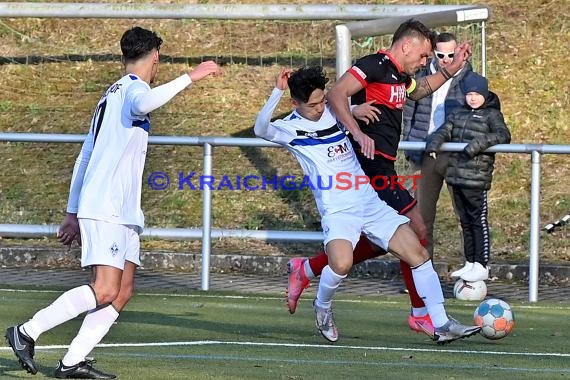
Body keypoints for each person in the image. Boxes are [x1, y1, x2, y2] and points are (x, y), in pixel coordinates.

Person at [4, 26, 220, 379]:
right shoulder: (135, 89)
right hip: (108, 207)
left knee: (122, 291)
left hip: (120, 209)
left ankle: (72, 361)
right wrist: (190, 77)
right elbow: (144, 102)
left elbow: (84, 156)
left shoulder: (110, 95)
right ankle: (27, 331)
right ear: (156, 57)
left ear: (123, 57)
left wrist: (72, 212)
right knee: (106, 288)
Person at [255, 65, 480, 344]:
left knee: (418, 254)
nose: (319, 108)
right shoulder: (289, 128)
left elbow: (343, 109)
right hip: (338, 211)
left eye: (322, 101)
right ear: (295, 103)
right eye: (312, 105)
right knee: (341, 264)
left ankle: (442, 323)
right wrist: (277, 90)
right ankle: (322, 306)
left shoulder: (331, 111)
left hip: (369, 202)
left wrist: (354, 112)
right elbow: (260, 128)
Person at [287, 19, 472, 333]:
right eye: (424, 55)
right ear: (406, 46)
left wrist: (450, 69)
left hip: (383, 168)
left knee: (388, 241)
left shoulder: (400, 76)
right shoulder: (373, 65)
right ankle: (420, 313)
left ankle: (308, 268)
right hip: (369, 169)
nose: (425, 62)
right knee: (417, 229)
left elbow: (420, 91)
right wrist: (357, 132)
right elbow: (336, 94)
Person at [425, 72, 511, 282]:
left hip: (476, 178)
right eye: (469, 94)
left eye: (476, 94)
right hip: (456, 176)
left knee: (477, 221)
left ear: (484, 94)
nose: (472, 98)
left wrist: (476, 146)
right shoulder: (458, 114)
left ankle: (482, 264)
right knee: (465, 221)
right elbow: (444, 131)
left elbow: (503, 135)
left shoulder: (492, 115)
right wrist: (434, 143)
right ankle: (470, 262)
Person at [403, 32, 473, 262]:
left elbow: (477, 104)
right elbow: (408, 114)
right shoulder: (421, 77)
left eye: (451, 55)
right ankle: (421, 271)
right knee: (421, 219)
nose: (445, 59)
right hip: (423, 153)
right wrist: (410, 145)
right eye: (440, 54)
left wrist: (462, 64)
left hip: (455, 154)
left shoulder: (467, 77)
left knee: (466, 216)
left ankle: (473, 271)